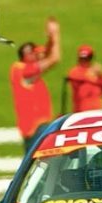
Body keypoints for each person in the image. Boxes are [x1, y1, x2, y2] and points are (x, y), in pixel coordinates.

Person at [10, 17, 61, 150]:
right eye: (35, 54)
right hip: (36, 128)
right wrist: (56, 33)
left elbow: (47, 52)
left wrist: (50, 38)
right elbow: (54, 58)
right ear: (28, 55)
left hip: (35, 128)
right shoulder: (23, 70)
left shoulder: (25, 70)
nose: (39, 56)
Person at [66, 44, 102, 112]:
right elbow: (82, 78)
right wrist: (93, 74)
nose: (83, 61)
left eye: (86, 59)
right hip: (81, 112)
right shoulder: (74, 71)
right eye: (82, 58)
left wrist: (101, 74)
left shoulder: (97, 72)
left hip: (98, 111)